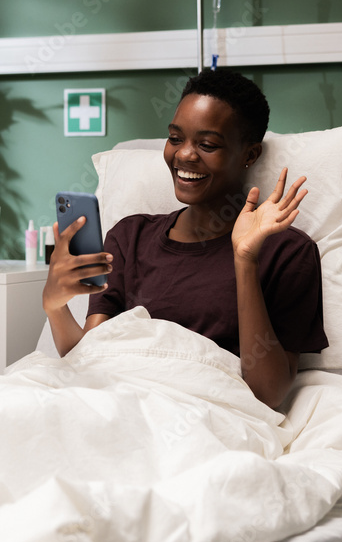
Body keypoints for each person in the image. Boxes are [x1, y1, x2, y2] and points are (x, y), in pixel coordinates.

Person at [42, 69, 326, 408]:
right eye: (176, 138)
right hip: (112, 401)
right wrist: (54, 305)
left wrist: (245, 260)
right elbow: (89, 359)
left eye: (207, 145)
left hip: (201, 415)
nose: (185, 155)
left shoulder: (287, 252)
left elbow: (267, 395)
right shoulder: (130, 237)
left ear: (249, 155)